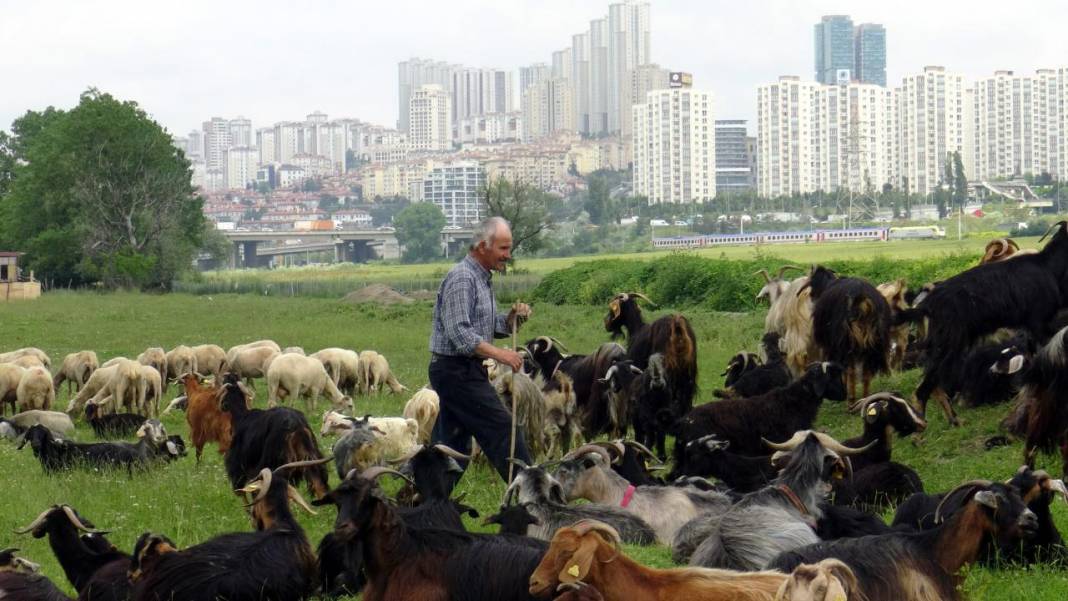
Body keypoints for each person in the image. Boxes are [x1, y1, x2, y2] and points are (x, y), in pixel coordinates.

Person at [428, 216, 532, 482]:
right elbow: (460, 333)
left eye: (508, 248)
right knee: (505, 433)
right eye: (503, 248)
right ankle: (532, 498)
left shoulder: (482, 278)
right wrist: (502, 355)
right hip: (456, 372)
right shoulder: (463, 278)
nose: (508, 255)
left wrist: (513, 318)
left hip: (463, 370)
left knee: (450, 449)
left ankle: (420, 505)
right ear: (483, 246)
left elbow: (488, 326)